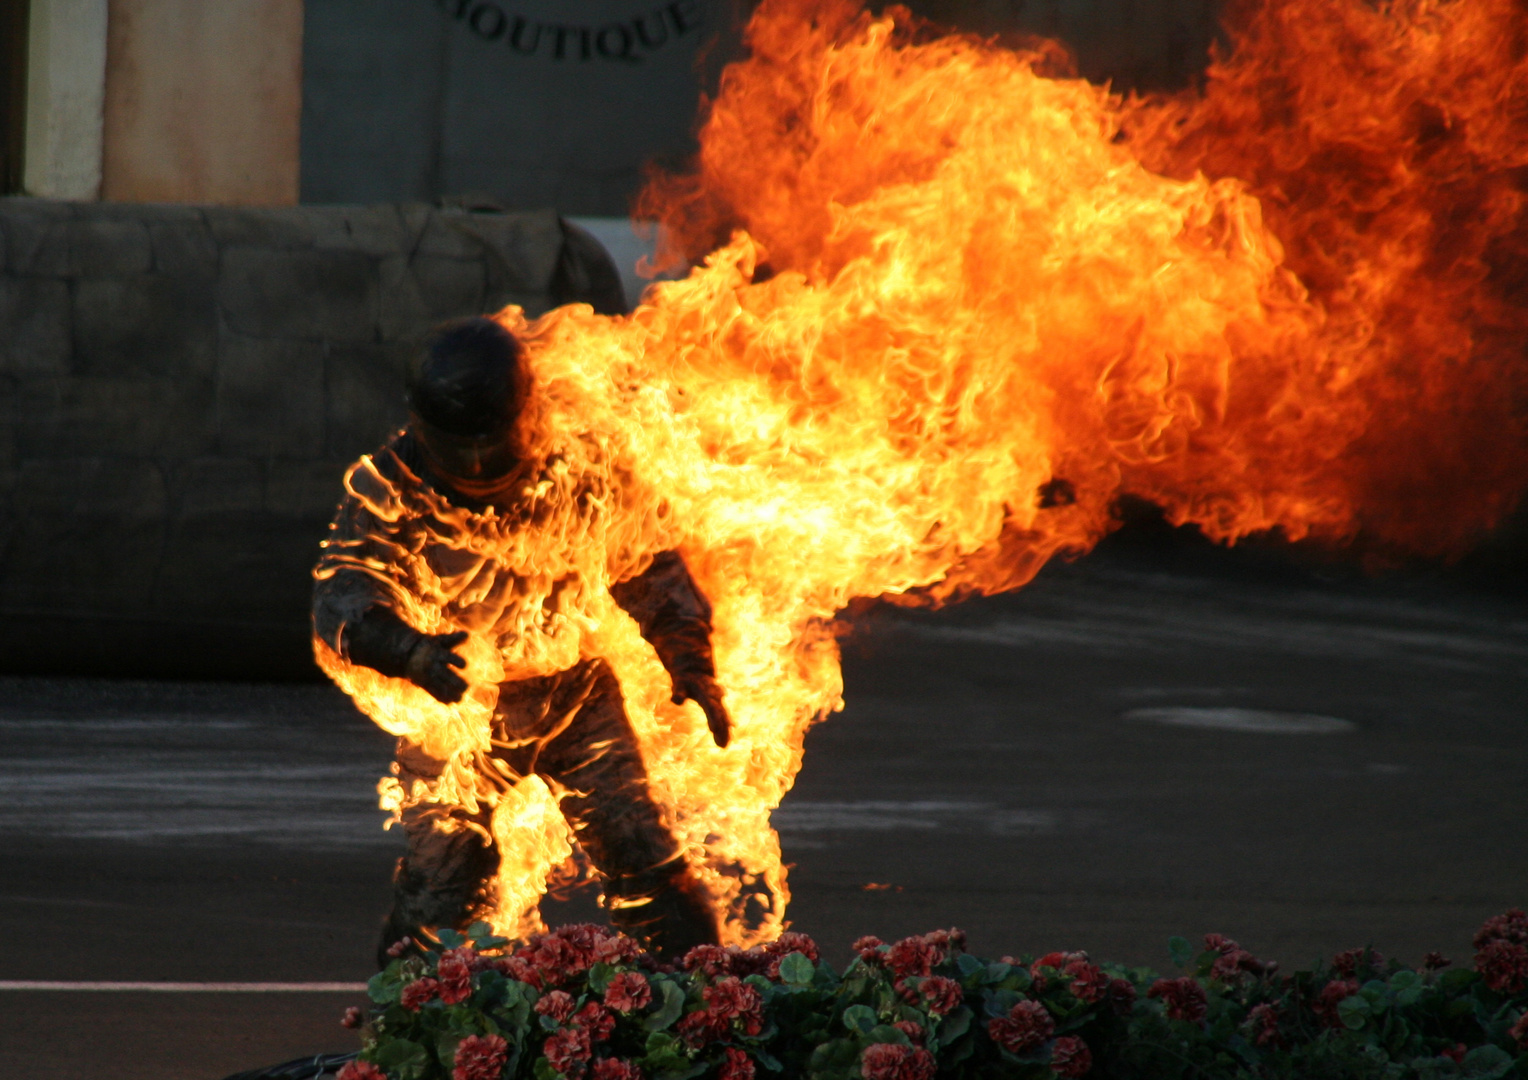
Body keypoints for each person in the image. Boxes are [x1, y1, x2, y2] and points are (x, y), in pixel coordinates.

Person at [312, 317, 730, 963]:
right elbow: (343, 597)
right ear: (425, 428)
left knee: (647, 864)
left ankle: (710, 1006)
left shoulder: (580, 465)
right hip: (460, 708)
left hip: (576, 698)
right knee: (440, 892)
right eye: (460, 450)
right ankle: (410, 1035)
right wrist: (413, 653)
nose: (478, 468)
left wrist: (688, 657)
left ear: (526, 417)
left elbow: (647, 564)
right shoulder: (388, 487)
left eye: (492, 444)